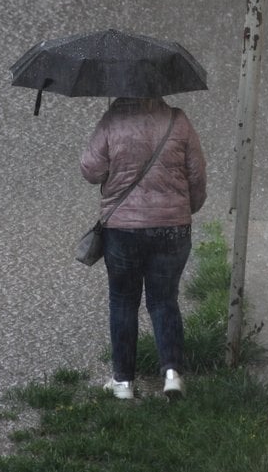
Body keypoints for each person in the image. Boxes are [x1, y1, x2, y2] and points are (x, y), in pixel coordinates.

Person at [80, 97, 207, 400]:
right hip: (173, 227)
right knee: (164, 300)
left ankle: (123, 382)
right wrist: (186, 209)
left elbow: (90, 170)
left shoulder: (113, 120)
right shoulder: (178, 121)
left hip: (123, 229)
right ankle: (172, 374)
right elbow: (197, 175)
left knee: (123, 301)